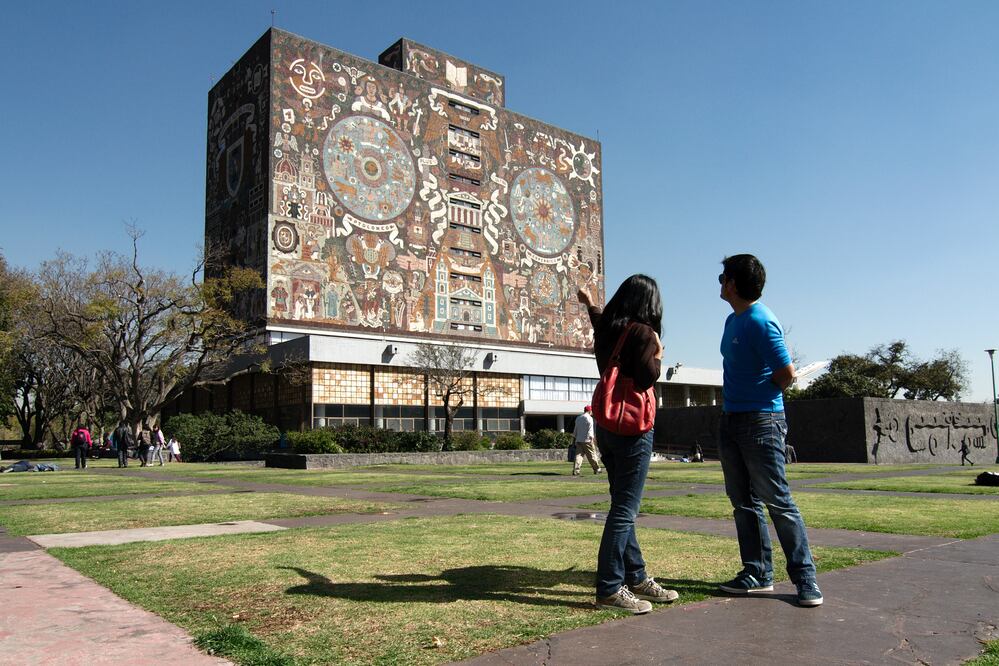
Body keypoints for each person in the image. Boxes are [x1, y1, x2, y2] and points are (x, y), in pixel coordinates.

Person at [716, 254, 822, 607]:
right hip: (732, 419)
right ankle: (757, 573)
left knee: (777, 501)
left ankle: (805, 579)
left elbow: (787, 373)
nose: (719, 283)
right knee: (743, 502)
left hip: (762, 421)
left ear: (732, 283)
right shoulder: (734, 320)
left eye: (722, 277)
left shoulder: (760, 321)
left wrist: (761, 395)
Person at [578, 275, 678, 614]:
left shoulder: (608, 329)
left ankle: (636, 576)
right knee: (624, 509)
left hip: (607, 426)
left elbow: (597, 316)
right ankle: (609, 587)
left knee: (623, 504)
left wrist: (589, 300)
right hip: (635, 428)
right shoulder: (643, 334)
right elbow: (648, 377)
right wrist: (659, 352)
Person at [571, 406, 601, 475]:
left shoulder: (578, 418)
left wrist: (574, 440)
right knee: (592, 455)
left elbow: (575, 430)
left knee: (578, 456)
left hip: (579, 440)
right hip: (587, 440)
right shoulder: (589, 418)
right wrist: (592, 439)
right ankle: (597, 469)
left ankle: (576, 470)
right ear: (590, 411)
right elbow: (590, 430)